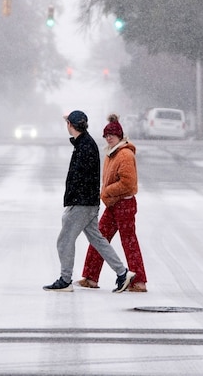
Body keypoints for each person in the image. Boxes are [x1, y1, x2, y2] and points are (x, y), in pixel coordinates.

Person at [44, 110, 136, 293]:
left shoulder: (85, 146)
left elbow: (82, 177)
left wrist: (75, 200)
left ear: (71, 126)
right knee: (98, 240)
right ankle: (122, 273)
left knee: (64, 240)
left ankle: (65, 279)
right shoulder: (85, 143)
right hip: (87, 202)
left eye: (68, 124)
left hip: (82, 203)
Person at [76, 113, 148, 292]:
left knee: (129, 241)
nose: (109, 138)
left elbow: (128, 183)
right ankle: (90, 277)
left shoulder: (124, 154)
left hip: (124, 204)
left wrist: (107, 192)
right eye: (106, 135)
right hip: (113, 204)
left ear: (120, 136)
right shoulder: (112, 153)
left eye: (112, 135)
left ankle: (139, 282)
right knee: (99, 238)